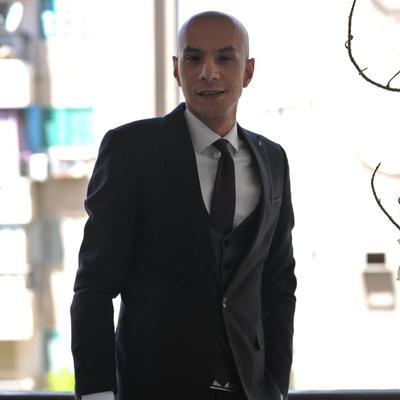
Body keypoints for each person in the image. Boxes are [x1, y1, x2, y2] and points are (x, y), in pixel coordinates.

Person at [71, 11, 296, 400]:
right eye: (194, 58)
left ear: (248, 71)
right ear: (177, 70)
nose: (208, 72)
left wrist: (275, 385)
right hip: (153, 388)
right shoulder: (131, 150)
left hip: (250, 390)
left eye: (224, 58)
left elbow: (278, 283)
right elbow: (94, 284)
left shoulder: (272, 159)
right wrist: (96, 393)